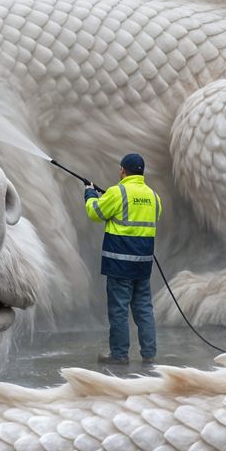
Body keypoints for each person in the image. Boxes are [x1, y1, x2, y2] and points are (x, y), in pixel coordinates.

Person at [84, 153, 162, 367]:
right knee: (144, 309)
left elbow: (94, 212)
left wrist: (90, 193)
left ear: (123, 171)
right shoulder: (154, 197)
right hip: (143, 265)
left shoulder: (117, 193)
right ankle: (149, 354)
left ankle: (119, 355)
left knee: (119, 311)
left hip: (119, 265)